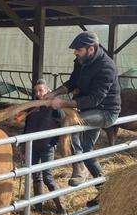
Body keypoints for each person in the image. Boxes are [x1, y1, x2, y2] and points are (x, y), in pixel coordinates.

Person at [45, 31, 121, 189]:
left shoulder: (107, 67)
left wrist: (62, 103)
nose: (75, 53)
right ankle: (103, 187)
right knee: (87, 149)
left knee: (71, 121)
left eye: (78, 50)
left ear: (91, 49)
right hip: (89, 109)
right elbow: (73, 82)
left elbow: (95, 99)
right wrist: (54, 93)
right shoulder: (81, 61)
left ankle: (78, 166)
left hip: (106, 111)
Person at [23, 80, 67, 214]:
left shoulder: (54, 107)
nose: (38, 94)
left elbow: (62, 125)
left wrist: (53, 142)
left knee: (47, 177)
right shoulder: (32, 107)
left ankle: (61, 207)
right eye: (36, 91)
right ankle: (38, 206)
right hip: (32, 146)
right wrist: (23, 145)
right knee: (36, 176)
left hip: (46, 146)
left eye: (41, 90)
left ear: (47, 90)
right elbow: (26, 127)